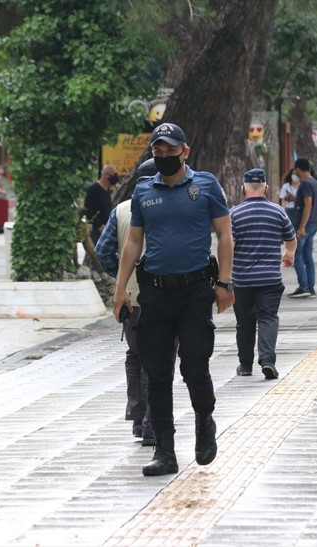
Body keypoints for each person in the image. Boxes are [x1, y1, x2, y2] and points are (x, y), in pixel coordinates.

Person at [113, 122, 234, 477]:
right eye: (158, 150)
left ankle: (204, 421)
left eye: (170, 149)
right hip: (155, 294)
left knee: (195, 364)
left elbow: (225, 235)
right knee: (157, 372)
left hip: (196, 291)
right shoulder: (143, 191)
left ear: (185, 150)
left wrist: (225, 283)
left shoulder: (206, 185)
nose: (164, 155)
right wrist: (121, 289)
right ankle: (165, 450)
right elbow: (133, 242)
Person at [96, 159, 158, 446]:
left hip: (129, 296)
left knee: (135, 356)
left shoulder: (121, 209)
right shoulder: (164, 204)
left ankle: (137, 416)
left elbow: (103, 249)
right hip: (160, 294)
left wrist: (120, 277)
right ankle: (150, 424)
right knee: (156, 358)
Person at [231, 168, 297, 379]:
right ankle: (267, 360)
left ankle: (245, 365)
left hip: (241, 280)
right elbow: (291, 238)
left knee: (244, 322)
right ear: (266, 188)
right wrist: (289, 254)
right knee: (268, 318)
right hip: (270, 278)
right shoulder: (278, 211)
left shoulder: (233, 214)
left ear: (243, 189)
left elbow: (228, 246)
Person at [288, 158, 317, 299]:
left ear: (298, 169)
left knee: (296, 255)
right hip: (313, 223)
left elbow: (308, 205)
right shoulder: (314, 182)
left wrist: (301, 227)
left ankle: (304, 286)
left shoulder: (306, 183)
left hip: (305, 225)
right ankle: (310, 287)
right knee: (307, 256)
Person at [84, 165, 119, 245]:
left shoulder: (107, 190)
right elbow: (88, 210)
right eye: (115, 175)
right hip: (97, 231)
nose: (116, 178)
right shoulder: (94, 189)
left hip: (107, 229)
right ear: (107, 175)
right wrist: (99, 226)